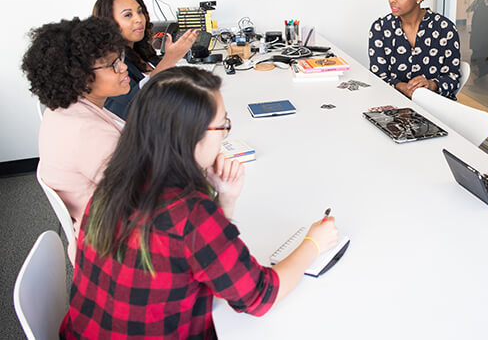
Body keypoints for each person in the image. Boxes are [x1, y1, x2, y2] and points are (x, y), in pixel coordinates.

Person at [61, 67, 340, 337]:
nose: (224, 136)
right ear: (192, 137)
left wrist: (225, 199)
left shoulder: (115, 181)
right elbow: (260, 296)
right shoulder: (190, 214)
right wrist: (313, 243)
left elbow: (194, 256)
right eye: (223, 126)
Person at [21, 17, 130, 259]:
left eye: (119, 59)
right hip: (117, 250)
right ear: (79, 76)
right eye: (112, 65)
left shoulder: (64, 109)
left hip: (100, 230)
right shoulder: (87, 133)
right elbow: (146, 198)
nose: (123, 68)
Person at [93, 0, 198, 119]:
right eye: (128, 15)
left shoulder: (143, 53)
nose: (138, 19)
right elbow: (133, 107)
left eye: (140, 12)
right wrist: (169, 60)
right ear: (108, 22)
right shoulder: (108, 66)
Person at [369, 0, 462, 99]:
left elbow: (453, 77)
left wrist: (431, 85)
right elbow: (377, 77)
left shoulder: (444, 29)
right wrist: (403, 88)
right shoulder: (380, 29)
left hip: (435, 106)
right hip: (393, 103)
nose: (392, 0)